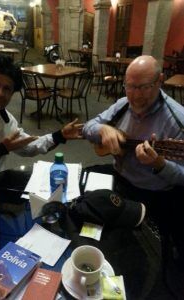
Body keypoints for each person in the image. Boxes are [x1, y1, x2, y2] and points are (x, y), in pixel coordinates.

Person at [83, 55, 184, 297]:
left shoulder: (177, 120)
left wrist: (160, 164)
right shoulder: (122, 104)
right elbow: (87, 127)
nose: (135, 95)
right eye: (130, 86)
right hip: (121, 184)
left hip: (157, 197)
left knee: (146, 260)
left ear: (160, 81)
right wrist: (104, 129)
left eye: (143, 87)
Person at [0, 54, 82, 176]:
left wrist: (59, 136)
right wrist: (0, 150)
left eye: (7, 89)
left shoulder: (5, 118)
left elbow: (27, 146)